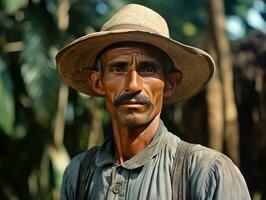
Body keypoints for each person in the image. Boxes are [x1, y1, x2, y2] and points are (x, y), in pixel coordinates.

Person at [56, 3, 251, 200]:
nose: (133, 85)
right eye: (118, 68)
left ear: (170, 84)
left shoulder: (207, 173)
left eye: (148, 69)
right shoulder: (79, 174)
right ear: (98, 82)